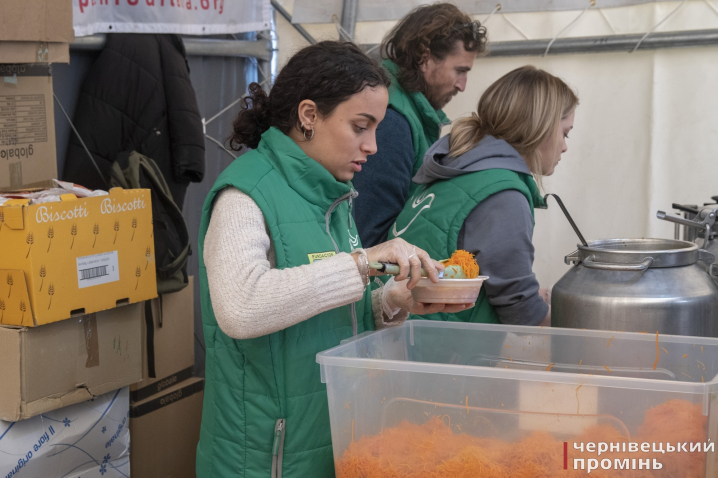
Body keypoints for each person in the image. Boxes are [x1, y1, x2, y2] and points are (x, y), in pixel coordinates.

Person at [194, 41, 471, 478]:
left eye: (376, 128)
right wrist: (363, 264)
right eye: (361, 126)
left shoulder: (332, 198)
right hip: (265, 458)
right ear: (309, 116)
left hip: (329, 440)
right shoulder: (244, 196)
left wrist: (392, 302)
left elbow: (323, 311)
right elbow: (241, 308)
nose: (374, 146)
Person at [390, 65, 579, 326]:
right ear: (542, 128)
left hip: (403, 332)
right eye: (565, 133)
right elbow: (520, 310)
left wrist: (533, 295)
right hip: (443, 351)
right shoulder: (503, 192)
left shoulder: (459, 167)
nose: (565, 146)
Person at [351, 3, 487, 248]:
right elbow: (370, 237)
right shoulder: (392, 122)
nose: (462, 85)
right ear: (425, 56)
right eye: (460, 71)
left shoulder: (413, 115)